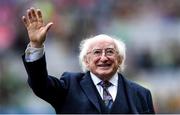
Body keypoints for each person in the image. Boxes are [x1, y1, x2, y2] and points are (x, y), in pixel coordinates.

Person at [22, 7, 155, 114]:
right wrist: (36, 45)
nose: (103, 58)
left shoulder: (141, 94)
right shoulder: (69, 85)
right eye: (97, 52)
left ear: (119, 59)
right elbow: (39, 85)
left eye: (109, 52)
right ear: (86, 61)